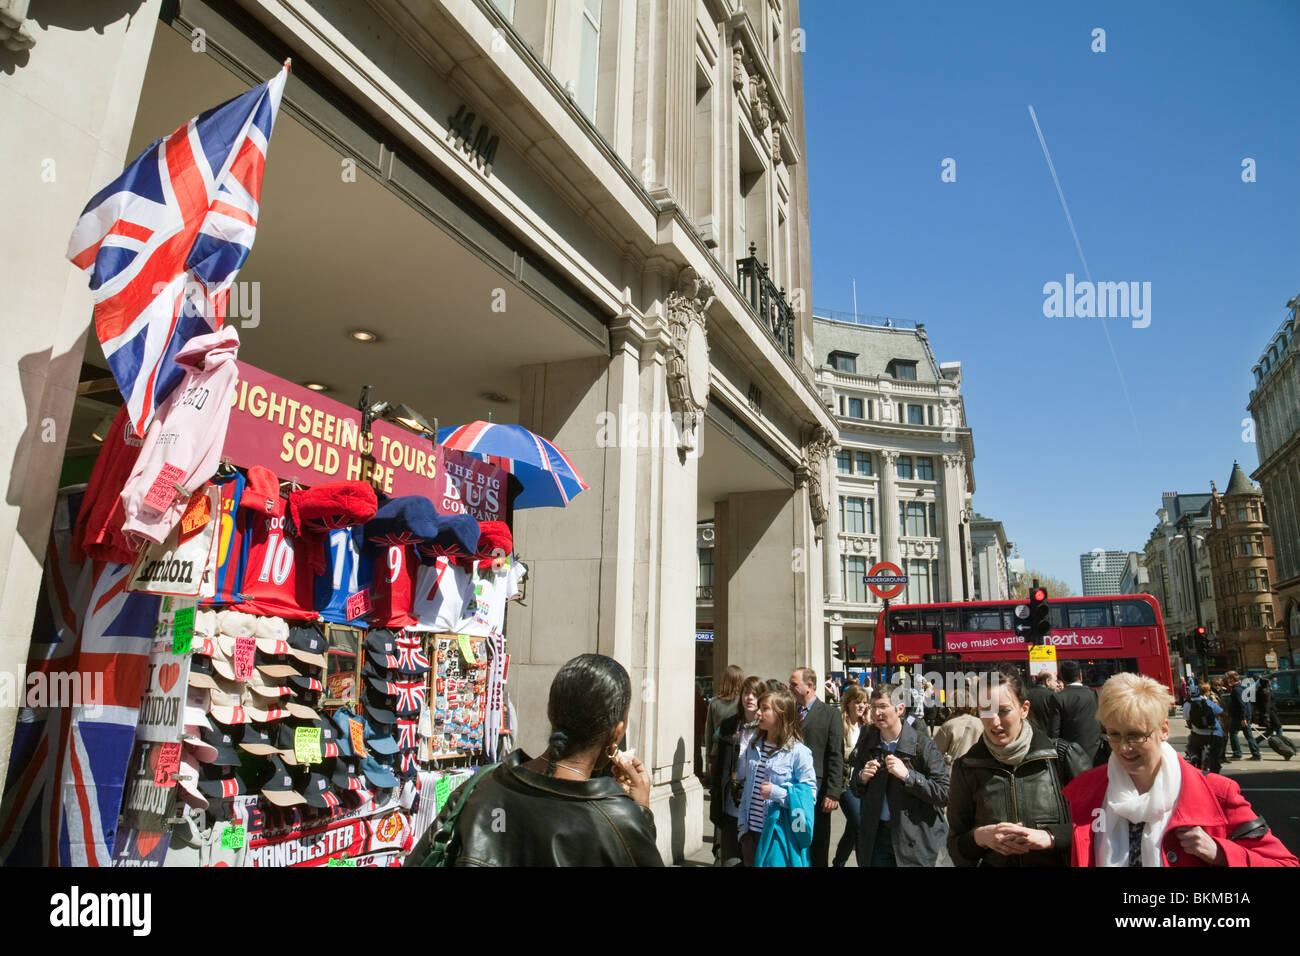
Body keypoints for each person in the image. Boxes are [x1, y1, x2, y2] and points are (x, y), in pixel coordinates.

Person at [405, 653, 661, 866]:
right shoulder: (619, 822)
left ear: (550, 711)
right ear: (617, 730)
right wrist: (642, 815)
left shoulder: (480, 788)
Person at [1062, 673, 1297, 867]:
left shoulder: (1217, 792)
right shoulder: (1087, 791)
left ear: (1164, 730)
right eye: (1114, 734)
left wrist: (1220, 852)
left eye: (1136, 735)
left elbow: (1285, 864)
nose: (1123, 747)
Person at [947, 670, 1090, 867]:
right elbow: (956, 847)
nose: (994, 721)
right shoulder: (967, 767)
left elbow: (1098, 827)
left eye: (1003, 711)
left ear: (1024, 709)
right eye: (986, 710)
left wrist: (1051, 837)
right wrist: (979, 837)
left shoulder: (1062, 756)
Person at [849, 684, 950, 867]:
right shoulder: (868, 739)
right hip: (877, 838)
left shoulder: (921, 744)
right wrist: (862, 777)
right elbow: (855, 787)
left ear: (900, 708)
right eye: (873, 707)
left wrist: (909, 777)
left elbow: (944, 792)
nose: (876, 713)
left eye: (883, 707)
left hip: (914, 839)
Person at [735, 687, 817, 866]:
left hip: (778, 835)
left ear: (781, 714)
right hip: (751, 835)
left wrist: (777, 793)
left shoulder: (799, 752)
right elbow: (747, 787)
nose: (758, 713)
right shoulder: (753, 746)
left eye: (764, 708)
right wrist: (742, 828)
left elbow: (809, 796)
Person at [789, 667, 844, 867]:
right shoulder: (789, 713)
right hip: (791, 789)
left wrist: (833, 792)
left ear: (809, 686)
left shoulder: (830, 714)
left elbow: (836, 755)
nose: (790, 688)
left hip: (819, 792)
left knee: (817, 843)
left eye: (794, 684)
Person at [710, 675, 764, 865]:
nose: (749, 697)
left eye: (755, 694)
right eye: (746, 692)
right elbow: (720, 766)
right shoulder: (729, 725)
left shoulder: (767, 728)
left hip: (757, 811)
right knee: (730, 862)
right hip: (732, 806)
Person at [832, 684, 868, 867]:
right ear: (849, 703)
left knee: (853, 827)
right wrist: (855, 754)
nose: (862, 706)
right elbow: (837, 754)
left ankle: (838, 862)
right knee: (859, 824)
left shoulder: (867, 726)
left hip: (863, 783)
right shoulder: (840, 724)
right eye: (858, 702)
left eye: (864, 703)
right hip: (845, 783)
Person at [1057, 659, 1101, 764]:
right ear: (1080, 676)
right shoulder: (1094, 695)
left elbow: (1054, 732)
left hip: (1070, 757)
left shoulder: (1058, 698)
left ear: (1062, 677)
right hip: (1095, 753)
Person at [704, 664, 744, 777]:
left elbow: (708, 733)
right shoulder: (743, 703)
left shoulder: (714, 702)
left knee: (719, 791)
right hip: (738, 753)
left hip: (718, 753)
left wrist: (709, 760)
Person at [933, 687, 984, 765]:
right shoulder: (982, 724)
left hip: (956, 771)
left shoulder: (949, 725)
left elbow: (935, 753)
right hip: (980, 770)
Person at [1184, 682, 1224, 774]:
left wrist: (1192, 726)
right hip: (1214, 733)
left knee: (1191, 745)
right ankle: (1215, 772)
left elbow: (1188, 720)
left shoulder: (1187, 704)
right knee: (1215, 755)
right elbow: (1221, 712)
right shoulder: (1208, 702)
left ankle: (1194, 757)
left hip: (1198, 734)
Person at [1225, 671, 1262, 761]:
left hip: (1239, 717)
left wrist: (1243, 718)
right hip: (1245, 715)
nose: (1226, 680)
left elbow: (1241, 704)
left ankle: (1237, 753)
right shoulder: (1242, 687)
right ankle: (1256, 754)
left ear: (1232, 679)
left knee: (1233, 733)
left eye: (1227, 678)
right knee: (1248, 735)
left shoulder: (1236, 690)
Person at [1026, 671, 1062, 739]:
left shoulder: (1027, 694)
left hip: (1029, 736)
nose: (1057, 684)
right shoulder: (1052, 696)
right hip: (1047, 737)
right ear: (1047, 681)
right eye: (1055, 681)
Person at [1255, 674, 1282, 739]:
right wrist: (1266, 715)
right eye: (1269, 681)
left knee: (1270, 730)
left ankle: (1255, 742)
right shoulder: (1266, 691)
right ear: (1266, 683)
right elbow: (1267, 704)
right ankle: (1281, 742)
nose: (1270, 682)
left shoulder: (1261, 690)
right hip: (1270, 712)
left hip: (1268, 712)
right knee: (1278, 727)